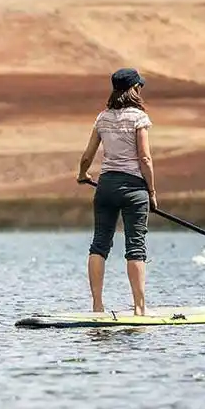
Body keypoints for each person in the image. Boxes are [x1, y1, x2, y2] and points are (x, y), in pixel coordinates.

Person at [76, 67, 157, 315]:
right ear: (135, 89)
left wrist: (82, 175)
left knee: (99, 244)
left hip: (106, 186)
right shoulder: (139, 118)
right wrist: (152, 191)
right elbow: (144, 158)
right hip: (134, 189)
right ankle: (139, 309)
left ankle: (97, 307)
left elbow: (88, 155)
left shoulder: (102, 118)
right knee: (136, 246)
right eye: (139, 87)